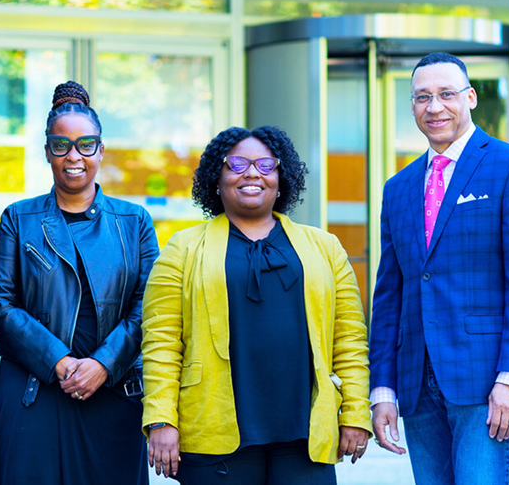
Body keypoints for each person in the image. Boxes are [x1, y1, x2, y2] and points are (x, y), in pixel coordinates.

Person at [141, 125, 372, 484]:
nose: (251, 173)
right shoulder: (182, 249)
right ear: (216, 179)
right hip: (213, 433)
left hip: (304, 434)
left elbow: (349, 340)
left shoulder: (325, 247)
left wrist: (356, 413)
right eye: (236, 164)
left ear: (282, 179)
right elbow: (161, 342)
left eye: (266, 165)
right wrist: (160, 418)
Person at [368, 52, 509, 484]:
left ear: (470, 97)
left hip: (486, 379)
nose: (434, 107)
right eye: (422, 97)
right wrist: (382, 389)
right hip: (415, 381)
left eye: (446, 94)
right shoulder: (398, 189)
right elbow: (389, 295)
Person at [0, 81, 157, 484]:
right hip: (36, 384)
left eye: (85, 144)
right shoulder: (18, 218)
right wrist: (59, 362)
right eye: (61, 145)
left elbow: (148, 307)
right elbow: (2, 305)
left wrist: (102, 364)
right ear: (48, 151)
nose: (73, 156)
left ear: (100, 150)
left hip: (113, 389)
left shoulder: (134, 223)